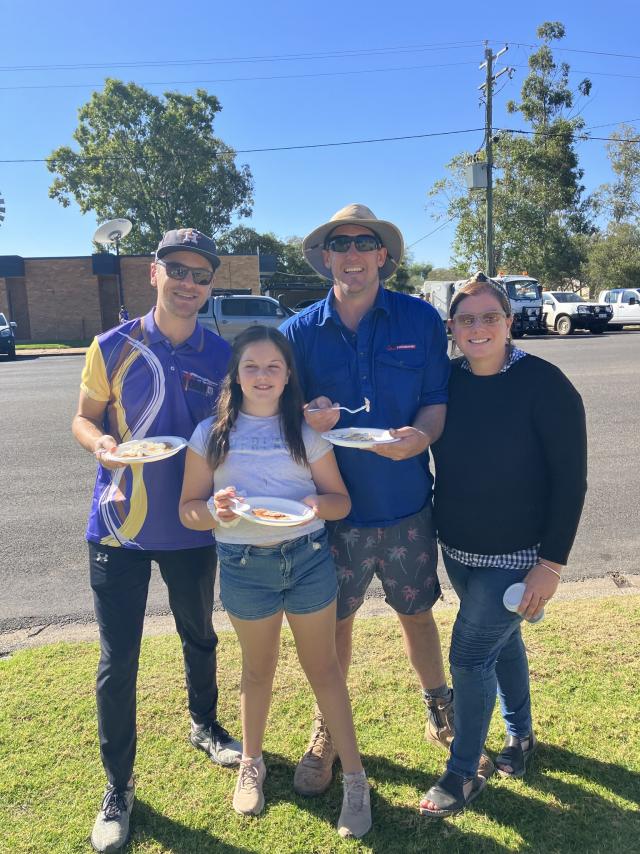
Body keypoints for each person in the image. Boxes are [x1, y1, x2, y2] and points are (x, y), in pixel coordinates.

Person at [72, 227, 242, 853]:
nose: (190, 283)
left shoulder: (220, 355)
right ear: (155, 272)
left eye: (202, 275)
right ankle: (118, 786)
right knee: (119, 661)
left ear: (209, 285)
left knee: (199, 631)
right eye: (179, 270)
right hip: (118, 525)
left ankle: (205, 723)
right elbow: (85, 418)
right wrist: (103, 445)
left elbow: (234, 434)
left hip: (192, 524)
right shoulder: (111, 345)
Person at [280, 204, 455, 797]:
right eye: (340, 244)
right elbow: (275, 412)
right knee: (335, 624)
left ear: (382, 255)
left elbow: (435, 401)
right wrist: (306, 415)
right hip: (333, 514)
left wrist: (423, 438)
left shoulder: (421, 320)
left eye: (363, 242)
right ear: (326, 257)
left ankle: (440, 706)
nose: (352, 253)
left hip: (407, 504)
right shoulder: (298, 332)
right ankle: (327, 729)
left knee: (417, 613)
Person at [179, 325, 372, 838]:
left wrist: (315, 505)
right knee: (256, 673)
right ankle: (252, 764)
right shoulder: (210, 435)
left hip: (307, 559)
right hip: (245, 567)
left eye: (273, 367)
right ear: (235, 376)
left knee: (325, 671)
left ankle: (355, 779)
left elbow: (341, 501)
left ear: (288, 376)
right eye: (251, 367)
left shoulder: (305, 434)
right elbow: (189, 511)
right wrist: (214, 512)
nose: (262, 376)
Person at [420, 272, 587, 818]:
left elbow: (571, 481)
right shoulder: (447, 382)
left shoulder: (545, 383)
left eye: (490, 317)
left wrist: (551, 566)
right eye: (466, 319)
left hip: (518, 557)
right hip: (460, 551)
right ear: (452, 328)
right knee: (502, 643)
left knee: (469, 656)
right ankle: (521, 736)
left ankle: (462, 772)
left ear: (509, 322)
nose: (478, 328)